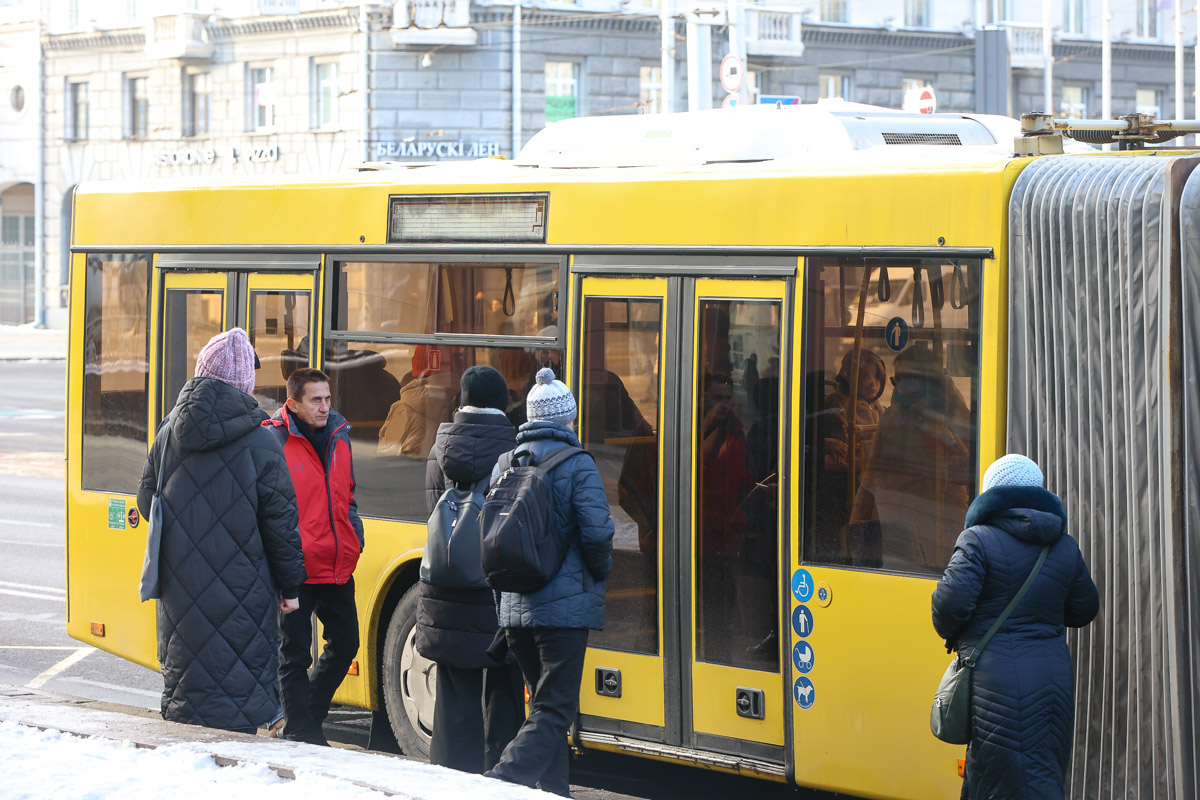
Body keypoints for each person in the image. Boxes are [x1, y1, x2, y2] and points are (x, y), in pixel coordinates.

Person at [137, 328, 306, 733]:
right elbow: (281, 527)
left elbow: (146, 501)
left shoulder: (168, 432)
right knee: (238, 694)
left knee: (188, 692)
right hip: (244, 590)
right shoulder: (262, 442)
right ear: (245, 382)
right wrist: (291, 588)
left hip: (179, 589)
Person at [932, 454, 1099, 799]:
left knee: (998, 778)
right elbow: (1084, 609)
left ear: (991, 492)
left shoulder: (977, 540)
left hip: (996, 679)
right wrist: (1042, 615)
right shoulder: (1064, 545)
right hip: (1052, 677)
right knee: (1040, 772)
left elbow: (948, 607)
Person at [485, 367, 615, 797]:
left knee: (544, 705)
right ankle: (502, 783)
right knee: (555, 708)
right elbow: (598, 533)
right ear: (568, 418)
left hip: (515, 607)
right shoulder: (578, 464)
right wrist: (599, 572)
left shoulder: (506, 463)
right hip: (563, 611)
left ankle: (554, 790)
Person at [418, 365, 525, 773]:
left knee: (453, 690)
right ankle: (502, 778)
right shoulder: (513, 450)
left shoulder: (439, 449)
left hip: (446, 589)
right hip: (496, 589)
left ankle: (451, 780)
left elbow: (433, 511)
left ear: (462, 401)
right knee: (505, 686)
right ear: (502, 401)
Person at [263, 367, 363, 746]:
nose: (324, 407)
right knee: (294, 654)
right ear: (293, 404)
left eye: (327, 398)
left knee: (346, 644)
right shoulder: (273, 440)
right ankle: (301, 730)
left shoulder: (340, 436)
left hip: (336, 563)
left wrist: (355, 536)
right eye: (315, 400)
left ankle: (307, 721)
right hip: (295, 566)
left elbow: (348, 494)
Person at [850, 342, 972, 571]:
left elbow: (969, 470)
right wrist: (857, 521)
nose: (900, 388)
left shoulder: (952, 415)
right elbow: (872, 475)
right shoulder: (892, 419)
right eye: (896, 381)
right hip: (895, 522)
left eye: (906, 380)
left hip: (939, 522)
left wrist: (948, 439)